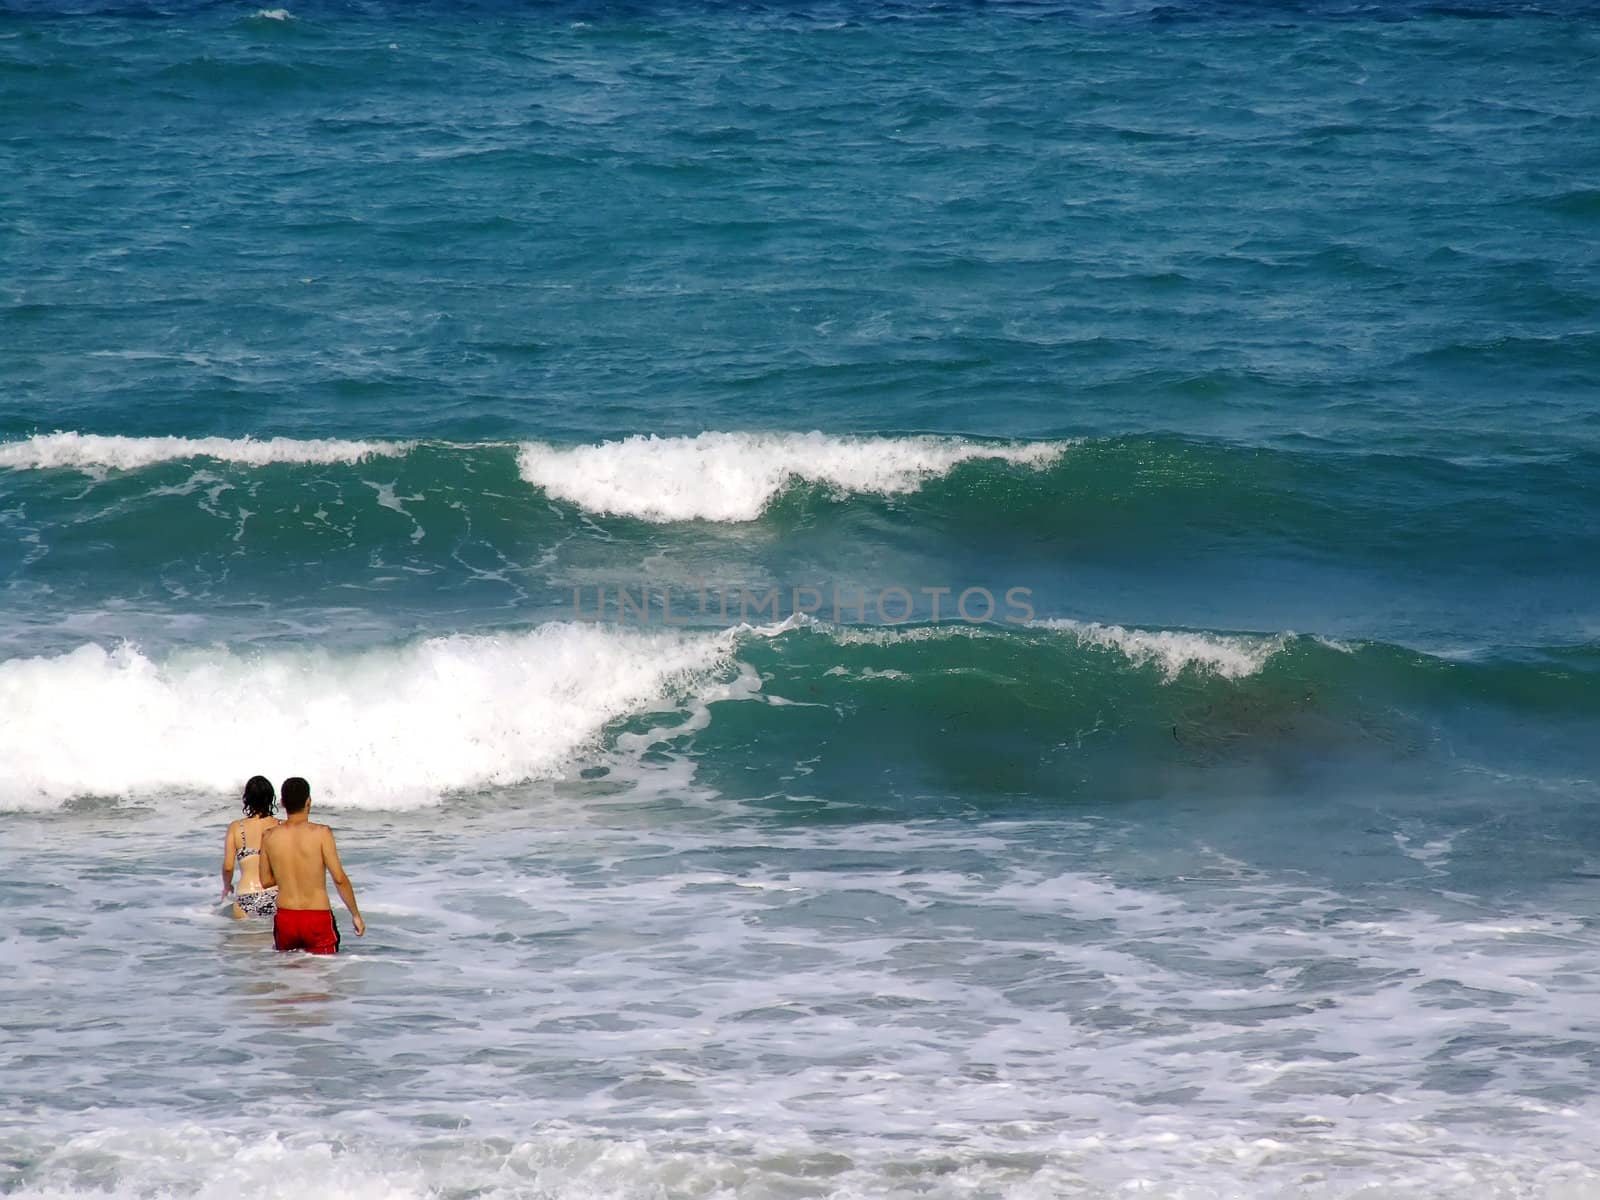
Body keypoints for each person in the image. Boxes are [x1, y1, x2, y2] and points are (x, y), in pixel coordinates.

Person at [259, 777, 366, 954]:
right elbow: (339, 879)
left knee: (287, 977)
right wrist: (355, 915)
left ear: (283, 803)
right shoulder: (322, 833)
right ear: (308, 801)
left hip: (286, 918)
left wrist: (288, 875)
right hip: (317, 918)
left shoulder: (269, 836)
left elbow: (265, 881)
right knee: (324, 977)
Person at [221, 776, 282, 919]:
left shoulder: (236, 828)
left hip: (245, 896)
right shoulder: (281, 826)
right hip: (275, 894)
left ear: (246, 798)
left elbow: (228, 866)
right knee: (273, 939)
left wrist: (227, 886)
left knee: (243, 939)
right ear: (270, 798)